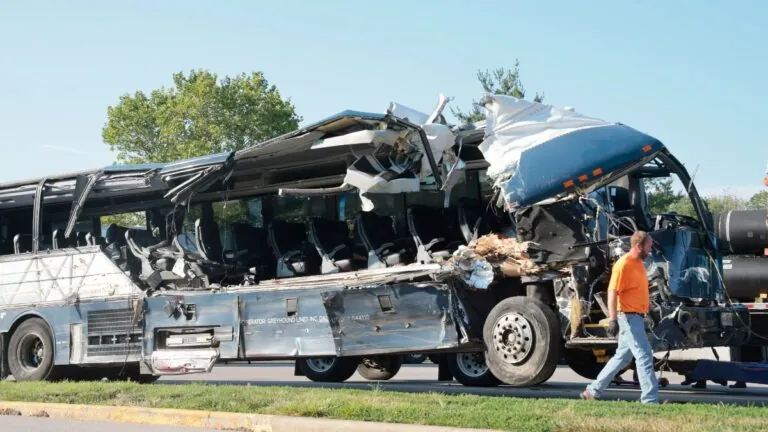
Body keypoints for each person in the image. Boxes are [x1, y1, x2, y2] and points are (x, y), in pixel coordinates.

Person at [580, 230, 660, 404]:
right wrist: (613, 319)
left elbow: (639, 291)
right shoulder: (623, 264)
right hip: (628, 317)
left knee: (622, 357)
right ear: (639, 246)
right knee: (644, 354)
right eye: (649, 246)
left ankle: (592, 391)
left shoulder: (639, 264)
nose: (651, 249)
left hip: (637, 315)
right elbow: (612, 292)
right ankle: (650, 399)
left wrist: (650, 309)